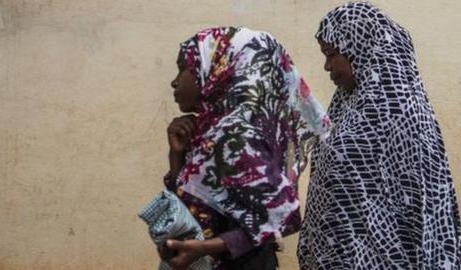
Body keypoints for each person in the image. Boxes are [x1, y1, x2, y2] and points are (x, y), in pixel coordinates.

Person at [297, 2, 461, 269]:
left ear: (359, 48)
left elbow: (425, 214)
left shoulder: (404, 115)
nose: (327, 67)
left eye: (331, 54)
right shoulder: (345, 107)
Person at [163, 26, 330, 270]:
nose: (175, 81)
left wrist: (203, 248)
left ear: (217, 70)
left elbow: (281, 214)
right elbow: (187, 210)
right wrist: (176, 154)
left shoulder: (235, 133)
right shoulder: (209, 129)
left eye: (183, 67)